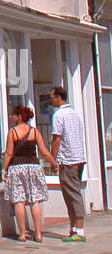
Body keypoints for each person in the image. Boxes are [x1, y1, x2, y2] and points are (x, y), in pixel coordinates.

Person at [2, 104, 57, 242]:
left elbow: (8, 153)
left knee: (19, 201)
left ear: (20, 116)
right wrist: (54, 164)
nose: (11, 117)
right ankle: (38, 233)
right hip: (33, 167)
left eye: (14, 114)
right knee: (35, 200)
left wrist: (4, 169)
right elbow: (44, 151)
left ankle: (21, 234)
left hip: (17, 167)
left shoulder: (12, 132)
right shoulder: (34, 131)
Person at [49, 87, 88, 242]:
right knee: (70, 195)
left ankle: (79, 231)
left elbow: (57, 138)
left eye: (51, 97)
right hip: (78, 158)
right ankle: (73, 229)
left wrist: (53, 159)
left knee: (73, 195)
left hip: (69, 160)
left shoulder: (59, 115)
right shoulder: (74, 114)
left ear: (58, 97)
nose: (50, 99)